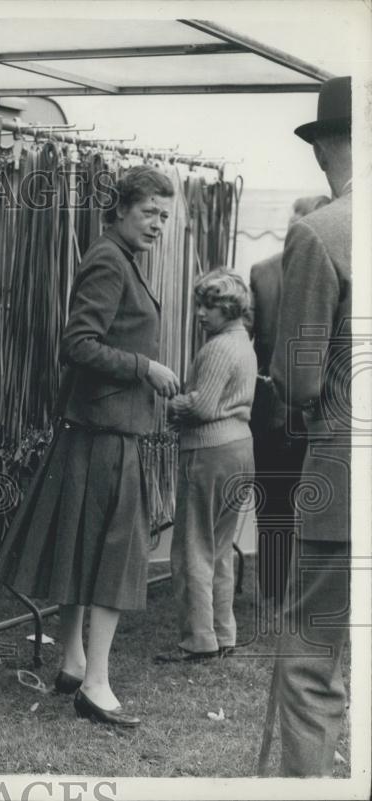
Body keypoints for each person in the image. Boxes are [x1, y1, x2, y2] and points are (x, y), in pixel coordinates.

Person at [0, 165, 180, 728]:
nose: (157, 224)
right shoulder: (107, 260)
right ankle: (96, 685)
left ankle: (74, 662)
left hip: (100, 432)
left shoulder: (119, 259)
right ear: (120, 208)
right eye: (148, 212)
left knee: (82, 549)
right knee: (113, 559)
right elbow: (76, 345)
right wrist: (144, 367)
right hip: (104, 436)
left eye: (164, 217)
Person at [263, 75, 352, 777]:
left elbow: (298, 381)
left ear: (324, 148)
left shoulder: (320, 231)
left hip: (347, 472)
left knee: (312, 663)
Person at [155, 269, 256, 663]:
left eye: (208, 305)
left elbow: (201, 406)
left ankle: (199, 638)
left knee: (192, 546)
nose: (200, 313)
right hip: (240, 448)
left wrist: (170, 405)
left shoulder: (216, 348)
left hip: (209, 450)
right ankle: (223, 632)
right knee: (219, 546)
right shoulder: (243, 343)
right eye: (200, 303)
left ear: (228, 307)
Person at [249, 195, 330, 611]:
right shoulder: (267, 271)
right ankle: (282, 593)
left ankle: (274, 592)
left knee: (276, 504)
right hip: (303, 410)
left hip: (279, 408)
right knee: (295, 505)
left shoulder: (264, 272)